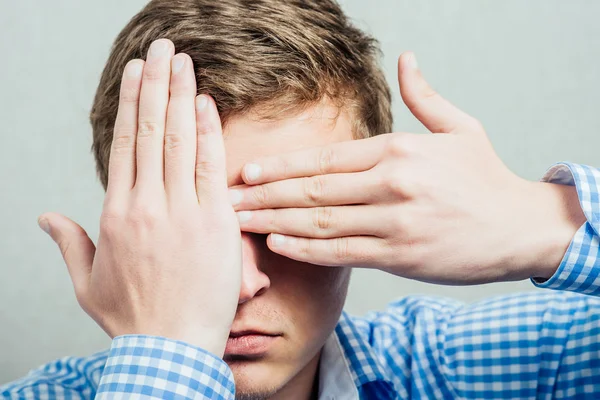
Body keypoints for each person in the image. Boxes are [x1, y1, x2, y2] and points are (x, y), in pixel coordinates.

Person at [2, 0, 599, 399]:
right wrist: (170, 353)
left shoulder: (449, 368)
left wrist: (550, 224)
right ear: (123, 223)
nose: (238, 283)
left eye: (283, 217)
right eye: (191, 226)